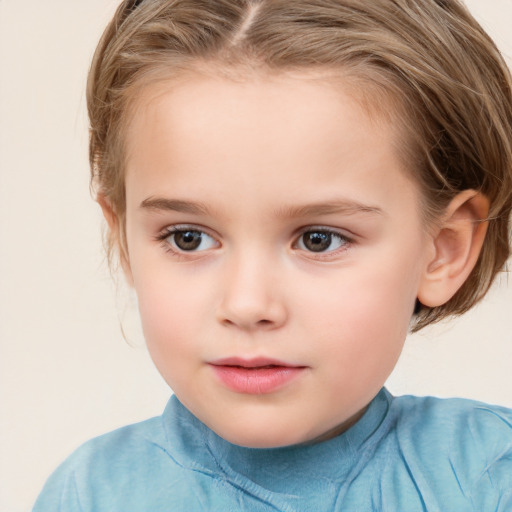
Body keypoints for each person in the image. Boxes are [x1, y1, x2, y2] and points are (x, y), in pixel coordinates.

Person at [32, 0, 512, 510]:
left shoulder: (489, 477)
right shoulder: (92, 495)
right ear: (126, 239)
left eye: (318, 239)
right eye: (188, 237)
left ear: (443, 249)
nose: (246, 303)